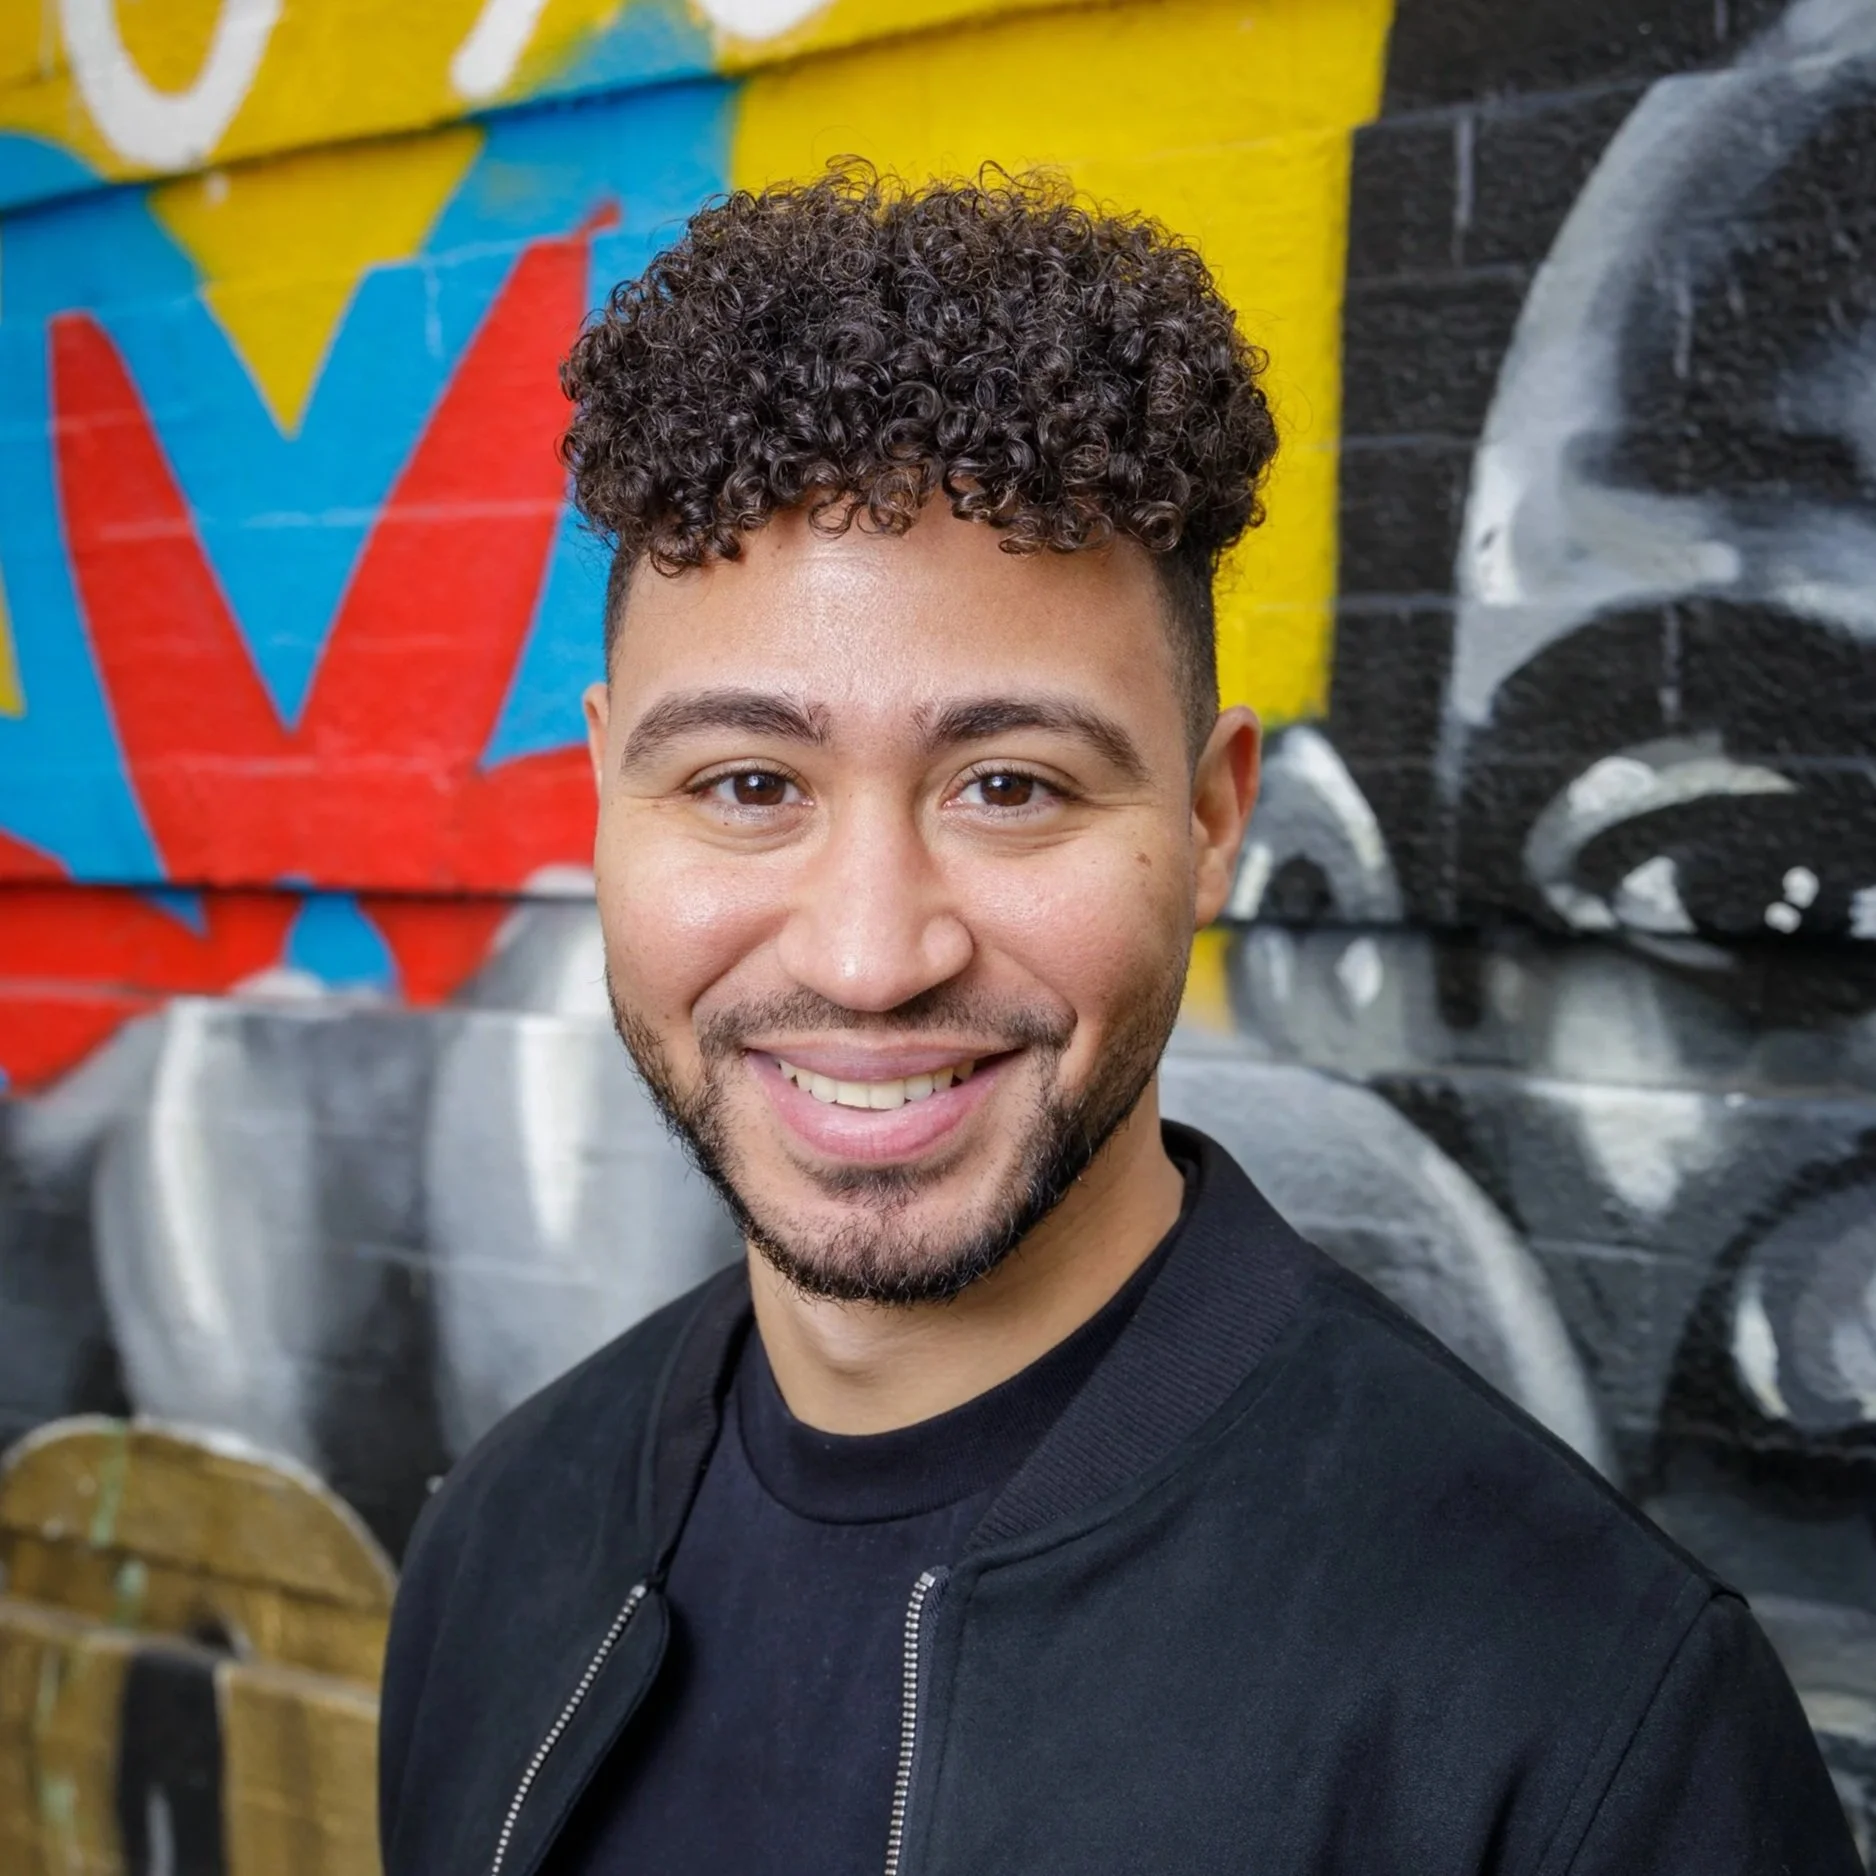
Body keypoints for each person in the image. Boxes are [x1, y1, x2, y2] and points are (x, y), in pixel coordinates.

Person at [377, 167, 1861, 1876]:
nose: (871, 956)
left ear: (1213, 819)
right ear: (604, 800)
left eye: (1010, 785)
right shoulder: (500, 1552)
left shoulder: (1585, 1722)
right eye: (747, 782)